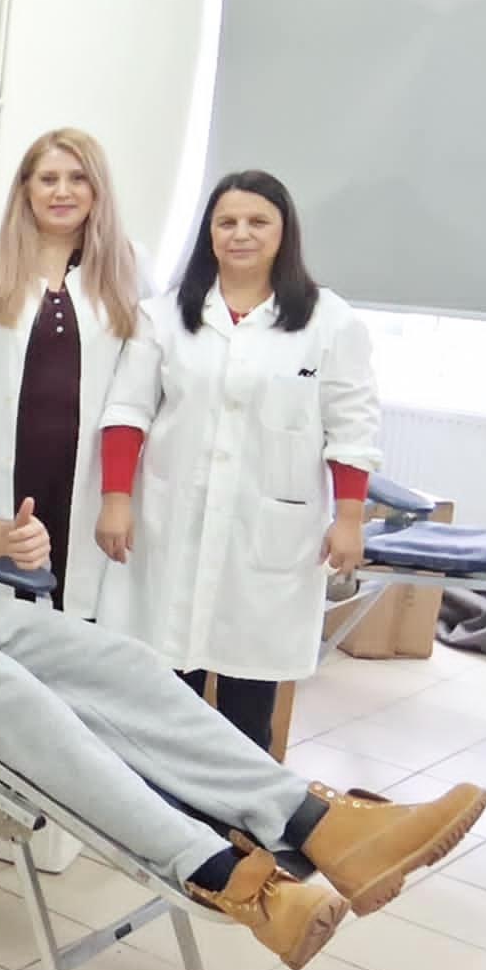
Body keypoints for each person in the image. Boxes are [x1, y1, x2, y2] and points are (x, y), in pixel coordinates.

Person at [0, 313, 486, 970]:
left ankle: (321, 824)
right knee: (18, 703)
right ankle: (224, 875)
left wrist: (8, 536)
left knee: (118, 662)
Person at [95, 170, 380, 753]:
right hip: (172, 522)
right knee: (165, 689)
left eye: (257, 222)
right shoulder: (163, 316)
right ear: (209, 233)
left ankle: (242, 803)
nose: (240, 234)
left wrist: (349, 518)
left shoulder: (329, 321)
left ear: (284, 232)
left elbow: (352, 426)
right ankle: (164, 801)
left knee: (249, 697)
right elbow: (127, 411)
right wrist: (116, 500)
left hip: (268, 535)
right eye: (226, 222)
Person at [0, 129, 144, 616]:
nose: (62, 192)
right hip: (6, 460)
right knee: (6, 594)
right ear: (26, 188)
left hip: (87, 467)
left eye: (77, 178)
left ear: (97, 188)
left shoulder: (131, 266)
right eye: (48, 179)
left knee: (80, 601)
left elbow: (149, 376)